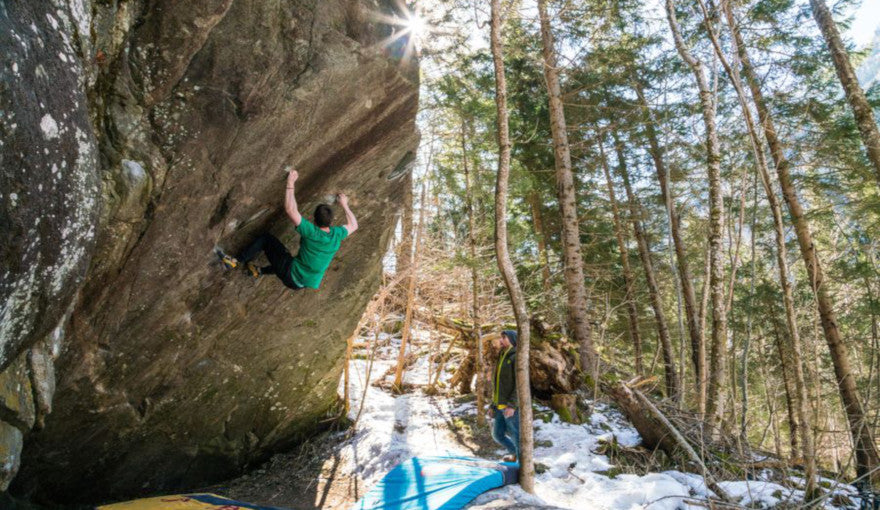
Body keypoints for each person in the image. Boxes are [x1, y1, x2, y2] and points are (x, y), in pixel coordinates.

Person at [226, 168, 358, 290]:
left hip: (290, 273)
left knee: (266, 239)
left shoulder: (311, 232)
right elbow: (354, 225)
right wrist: (345, 205)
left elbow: (291, 210)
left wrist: (290, 183)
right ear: (331, 221)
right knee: (285, 257)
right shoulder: (337, 235)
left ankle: (236, 261)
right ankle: (259, 271)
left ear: (314, 219)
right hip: (300, 284)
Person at [488, 329, 519, 463]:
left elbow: (519, 385)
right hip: (499, 405)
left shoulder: (516, 356)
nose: (501, 340)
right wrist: (492, 405)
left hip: (510, 406)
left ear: (512, 339)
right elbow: (498, 384)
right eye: (501, 338)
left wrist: (512, 405)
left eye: (504, 338)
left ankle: (523, 466)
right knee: (497, 435)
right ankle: (515, 454)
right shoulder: (502, 355)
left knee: (516, 436)